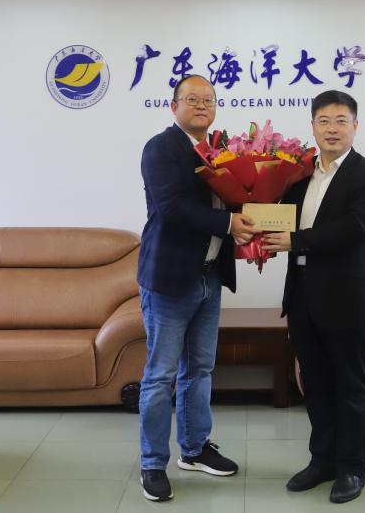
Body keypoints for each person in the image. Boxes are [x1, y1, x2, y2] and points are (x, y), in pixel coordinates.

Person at [263, 89, 365, 504]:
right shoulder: (298, 176)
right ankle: (322, 460)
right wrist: (255, 236)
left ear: (355, 126)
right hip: (302, 296)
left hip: (347, 297)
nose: (332, 129)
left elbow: (357, 228)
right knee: (314, 383)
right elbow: (276, 217)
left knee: (350, 385)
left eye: (340, 121)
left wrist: (296, 240)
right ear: (313, 127)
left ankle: (352, 466)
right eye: (324, 121)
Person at [137, 74, 257, 502]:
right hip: (170, 279)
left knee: (201, 369)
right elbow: (171, 206)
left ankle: (194, 448)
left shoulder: (221, 149)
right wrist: (229, 223)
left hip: (210, 275)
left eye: (208, 99)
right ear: (174, 107)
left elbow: (237, 196)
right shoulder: (160, 148)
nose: (202, 105)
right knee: (161, 376)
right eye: (192, 99)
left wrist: (259, 218)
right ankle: (153, 463)